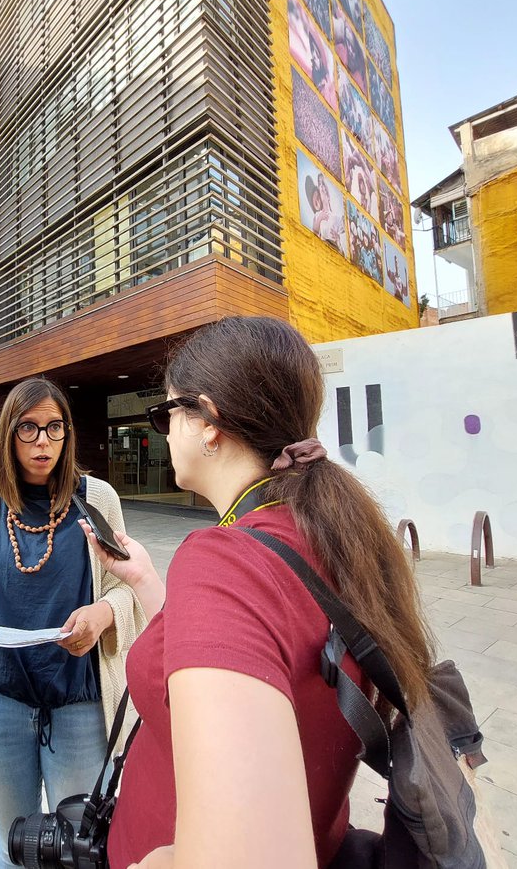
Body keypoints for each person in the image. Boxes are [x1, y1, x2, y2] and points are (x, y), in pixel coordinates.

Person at [77, 316, 434, 869]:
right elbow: (253, 648)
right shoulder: (332, 537)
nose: (162, 433)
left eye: (165, 413)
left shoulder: (226, 561)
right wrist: (147, 581)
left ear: (208, 422)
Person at [0, 378, 145, 869]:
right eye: (28, 429)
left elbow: (126, 583)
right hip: (0, 703)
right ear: (8, 435)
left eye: (54, 428)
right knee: (12, 842)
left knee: (77, 846)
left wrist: (103, 615)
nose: (42, 442)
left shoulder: (97, 496)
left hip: (77, 703)